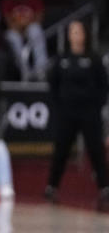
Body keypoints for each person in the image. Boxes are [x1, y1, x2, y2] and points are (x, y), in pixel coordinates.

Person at [44, 21, 109, 210]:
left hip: (89, 112)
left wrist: (97, 105)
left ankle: (104, 187)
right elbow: (53, 85)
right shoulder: (62, 59)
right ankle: (51, 186)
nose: (76, 35)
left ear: (85, 35)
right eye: (72, 31)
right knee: (61, 150)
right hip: (67, 112)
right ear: (68, 36)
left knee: (96, 150)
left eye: (79, 31)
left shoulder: (94, 59)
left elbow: (103, 86)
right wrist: (59, 106)